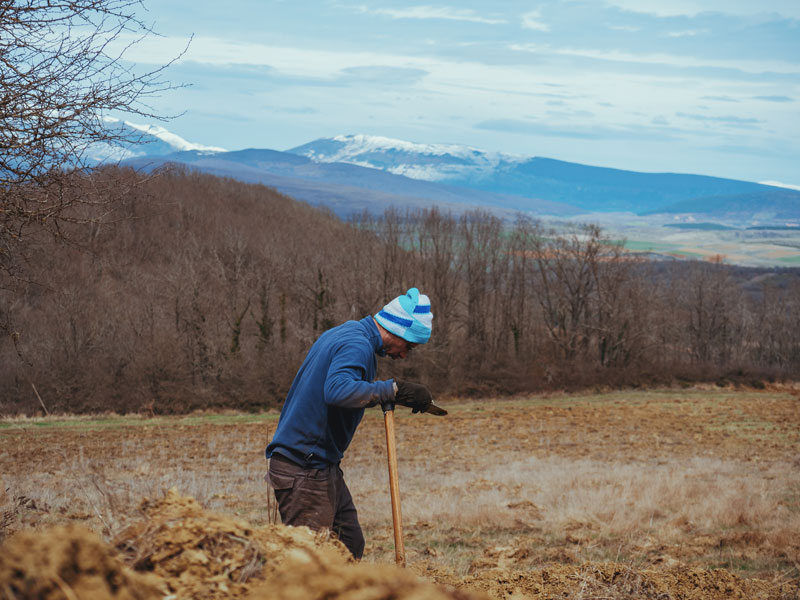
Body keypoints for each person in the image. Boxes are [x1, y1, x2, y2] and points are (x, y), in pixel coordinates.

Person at [265, 287, 435, 559]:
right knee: (315, 563)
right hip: (302, 468)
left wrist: (391, 392)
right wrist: (392, 391)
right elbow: (337, 390)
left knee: (349, 545)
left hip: (321, 465)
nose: (404, 356)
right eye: (409, 347)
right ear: (399, 331)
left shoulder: (347, 333)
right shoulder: (357, 344)